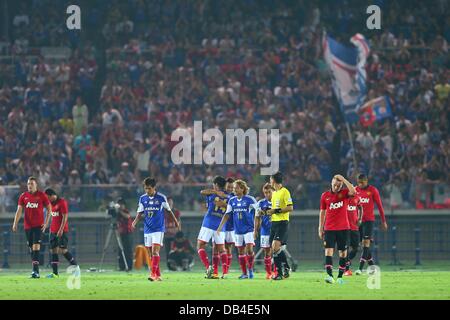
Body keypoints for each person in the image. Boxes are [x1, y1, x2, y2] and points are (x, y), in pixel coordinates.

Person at [131, 177, 180, 281]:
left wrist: (176, 221)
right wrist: (135, 222)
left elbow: (169, 210)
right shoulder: (142, 198)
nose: (147, 191)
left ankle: (152, 274)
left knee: (155, 252)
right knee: (149, 253)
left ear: (154, 187)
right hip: (147, 229)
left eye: (149, 188)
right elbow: (140, 213)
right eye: (145, 188)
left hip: (158, 229)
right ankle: (158, 275)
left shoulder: (161, 198)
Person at [12, 176, 53, 279]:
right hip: (27, 226)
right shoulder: (23, 196)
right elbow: (19, 210)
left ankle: (36, 271)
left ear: (36, 185)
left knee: (36, 247)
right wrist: (15, 223)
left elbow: (49, 210)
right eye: (28, 184)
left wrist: (46, 223)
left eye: (32, 184)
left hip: (38, 226)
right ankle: (35, 270)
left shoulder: (42, 196)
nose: (30, 186)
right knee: (31, 248)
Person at [318, 174, 356, 284]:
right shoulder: (325, 196)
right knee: (328, 251)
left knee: (343, 253)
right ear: (331, 183)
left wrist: (343, 179)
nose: (336, 187)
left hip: (343, 228)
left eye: (339, 186)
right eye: (335, 185)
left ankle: (340, 277)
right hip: (329, 228)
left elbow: (353, 191)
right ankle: (329, 275)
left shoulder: (344, 193)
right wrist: (320, 227)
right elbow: (322, 212)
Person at [217, 180, 258, 279]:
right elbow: (227, 214)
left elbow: (258, 212)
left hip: (249, 229)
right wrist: (219, 227)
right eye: (234, 188)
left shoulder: (250, 200)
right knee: (240, 251)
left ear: (242, 189)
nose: (234, 189)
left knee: (249, 249)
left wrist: (256, 229)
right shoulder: (232, 200)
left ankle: (250, 269)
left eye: (236, 188)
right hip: (238, 230)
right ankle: (244, 273)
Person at [355, 173, 388, 274]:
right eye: (359, 183)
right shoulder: (355, 190)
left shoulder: (373, 190)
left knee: (366, 244)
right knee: (363, 246)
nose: (361, 184)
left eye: (362, 182)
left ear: (367, 181)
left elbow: (380, 206)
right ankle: (373, 268)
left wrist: (384, 221)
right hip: (358, 222)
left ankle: (360, 269)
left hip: (369, 221)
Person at [43, 188, 79, 278]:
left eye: (48, 198)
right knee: (53, 251)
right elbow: (51, 216)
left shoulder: (62, 202)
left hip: (61, 231)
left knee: (63, 250)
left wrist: (61, 229)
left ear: (52, 195)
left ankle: (76, 267)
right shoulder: (50, 204)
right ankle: (55, 274)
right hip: (53, 230)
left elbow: (65, 216)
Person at [265, 171, 294, 280]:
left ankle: (279, 274)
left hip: (282, 223)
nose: (269, 181)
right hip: (274, 223)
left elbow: (290, 207)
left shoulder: (285, 192)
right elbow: (274, 210)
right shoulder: (274, 193)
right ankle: (286, 267)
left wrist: (275, 210)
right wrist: (268, 212)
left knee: (275, 246)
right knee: (274, 249)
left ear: (274, 180)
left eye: (270, 179)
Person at [254, 183, 274, 279]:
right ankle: (269, 272)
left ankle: (276, 271)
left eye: (269, 192)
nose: (267, 194)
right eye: (265, 193)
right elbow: (257, 217)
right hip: (265, 230)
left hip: (276, 229)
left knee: (275, 251)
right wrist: (255, 230)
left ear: (273, 191)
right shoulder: (261, 203)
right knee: (267, 252)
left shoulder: (277, 202)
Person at [344, 192, 363, 276]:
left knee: (356, 248)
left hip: (355, 227)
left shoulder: (356, 198)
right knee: (346, 248)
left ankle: (347, 260)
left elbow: (360, 208)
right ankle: (347, 270)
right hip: (345, 228)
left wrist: (360, 218)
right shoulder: (343, 198)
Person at [116, 198, 133, 271]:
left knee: (128, 250)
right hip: (121, 234)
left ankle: (129, 266)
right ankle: (121, 266)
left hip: (128, 234)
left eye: (121, 204)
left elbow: (127, 216)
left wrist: (119, 211)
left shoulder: (125, 211)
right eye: (119, 204)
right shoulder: (118, 214)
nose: (120, 206)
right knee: (120, 250)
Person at [164, 197, 181, 262]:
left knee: (176, 250)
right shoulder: (163, 212)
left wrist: (178, 232)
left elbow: (179, 223)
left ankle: (177, 264)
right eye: (168, 202)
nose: (170, 203)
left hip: (175, 235)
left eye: (171, 201)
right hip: (167, 235)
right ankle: (169, 266)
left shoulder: (176, 212)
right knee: (168, 250)